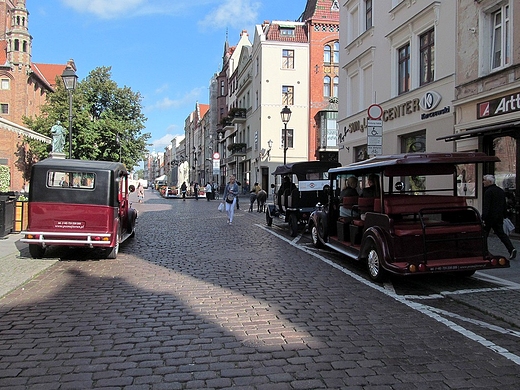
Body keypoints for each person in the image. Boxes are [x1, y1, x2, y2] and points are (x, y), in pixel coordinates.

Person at [482, 174, 516, 259]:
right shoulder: (500, 191)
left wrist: (483, 218)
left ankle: (485, 252)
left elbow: (487, 206)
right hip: (499, 217)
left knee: (484, 234)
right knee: (501, 234)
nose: (483, 182)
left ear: (490, 182)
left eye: (484, 180)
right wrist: (504, 215)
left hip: (490, 218)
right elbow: (504, 204)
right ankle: (511, 249)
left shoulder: (488, 192)